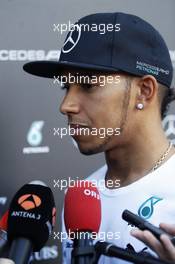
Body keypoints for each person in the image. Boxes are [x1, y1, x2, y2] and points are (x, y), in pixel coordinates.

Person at [23, 12, 175, 264]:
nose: (66, 105)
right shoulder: (83, 199)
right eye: (66, 87)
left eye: (88, 85)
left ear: (144, 91)